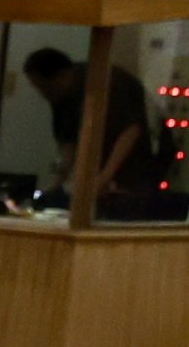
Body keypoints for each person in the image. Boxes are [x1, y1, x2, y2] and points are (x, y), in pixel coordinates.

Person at [19, 44, 167, 218]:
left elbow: (130, 131)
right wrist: (57, 183)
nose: (42, 94)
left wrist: (103, 178)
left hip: (137, 167)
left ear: (62, 76)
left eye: (44, 87)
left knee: (124, 213)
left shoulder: (106, 82)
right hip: (104, 166)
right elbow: (68, 142)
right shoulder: (61, 96)